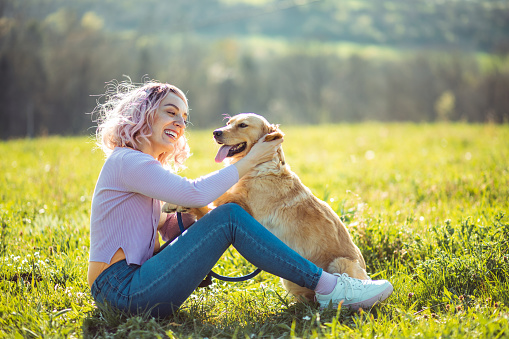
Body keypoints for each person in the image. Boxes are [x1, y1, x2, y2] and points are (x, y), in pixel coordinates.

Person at [88, 80, 393, 318]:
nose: (180, 122)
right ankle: (331, 287)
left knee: (226, 217)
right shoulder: (127, 161)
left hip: (135, 285)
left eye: (184, 117)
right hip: (121, 289)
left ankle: (332, 286)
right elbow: (194, 193)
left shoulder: (142, 166)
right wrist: (250, 162)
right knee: (230, 215)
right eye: (170, 112)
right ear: (143, 114)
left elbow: (167, 225)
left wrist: (193, 244)